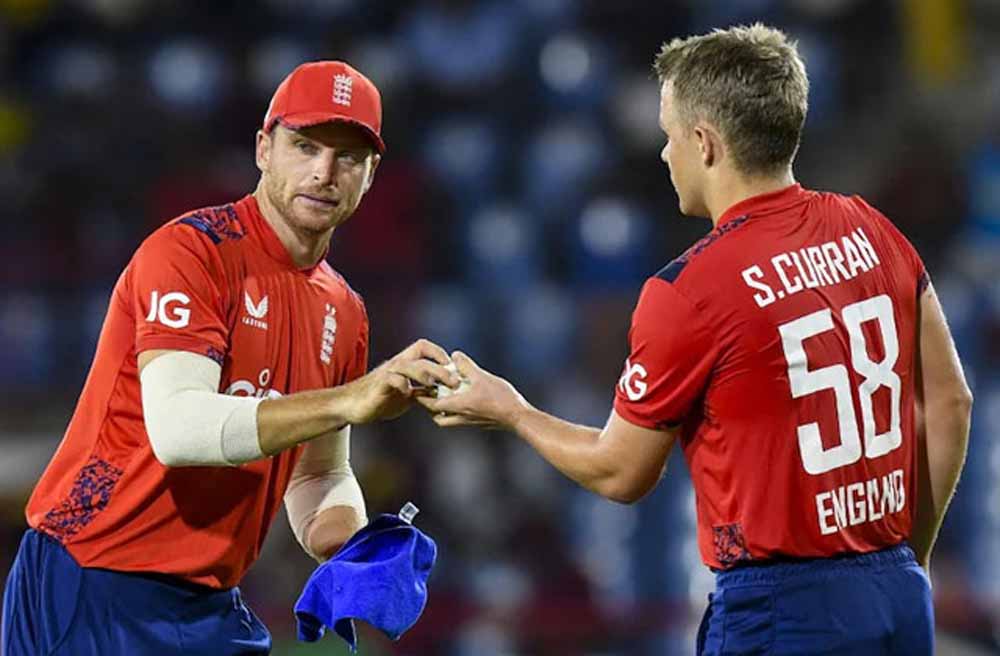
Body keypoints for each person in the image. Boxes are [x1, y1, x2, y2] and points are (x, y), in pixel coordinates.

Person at [420, 24, 973, 656]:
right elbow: (950, 402)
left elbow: (621, 471)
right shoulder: (871, 229)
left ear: (706, 143)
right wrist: (908, 558)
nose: (664, 154)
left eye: (670, 134)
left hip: (783, 608)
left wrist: (512, 411)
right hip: (895, 593)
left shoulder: (690, 288)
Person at [1, 61, 459, 655]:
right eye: (305, 146)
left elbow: (318, 473)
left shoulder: (345, 310)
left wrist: (352, 548)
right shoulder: (190, 253)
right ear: (264, 149)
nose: (324, 172)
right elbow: (179, 430)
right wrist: (350, 399)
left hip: (210, 601)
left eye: (348, 157)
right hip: (94, 578)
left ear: (370, 175)